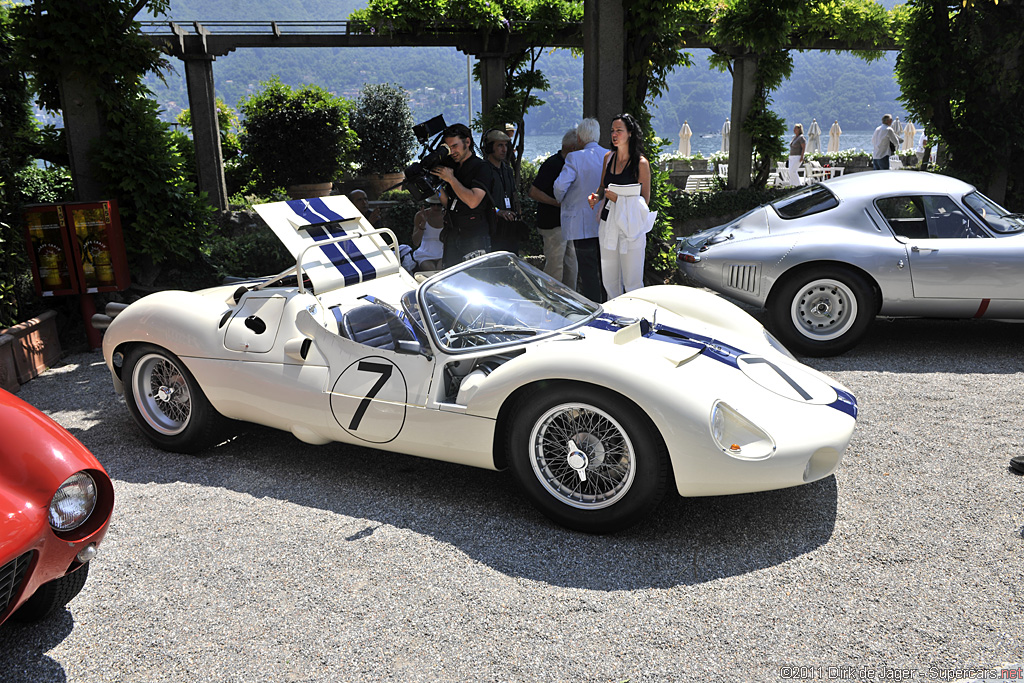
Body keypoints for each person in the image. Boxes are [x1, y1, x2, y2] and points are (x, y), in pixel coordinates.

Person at [588, 113, 654, 299]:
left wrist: (620, 200)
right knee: (609, 278)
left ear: (630, 133)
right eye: (612, 131)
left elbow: (645, 201)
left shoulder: (641, 163)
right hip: (608, 223)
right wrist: (596, 197)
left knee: (632, 280)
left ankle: (634, 318)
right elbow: (603, 187)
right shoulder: (608, 158)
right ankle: (612, 317)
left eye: (619, 130)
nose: (614, 135)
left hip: (630, 225)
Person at [554, 118, 608, 303]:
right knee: (606, 268)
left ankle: (593, 305)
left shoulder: (574, 157)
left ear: (579, 138)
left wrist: (562, 200)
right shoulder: (609, 155)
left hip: (580, 223)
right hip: (605, 220)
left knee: (587, 270)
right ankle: (609, 302)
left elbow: (560, 186)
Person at [430, 123, 495, 267]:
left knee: (477, 281)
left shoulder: (481, 167)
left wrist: (451, 179)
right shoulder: (453, 167)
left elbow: (473, 201)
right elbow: (449, 204)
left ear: (467, 142)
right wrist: (437, 186)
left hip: (474, 236)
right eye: (447, 148)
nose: (451, 152)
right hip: (453, 233)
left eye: (454, 146)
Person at [528, 128, 579, 287]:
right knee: (555, 267)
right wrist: (556, 203)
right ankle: (551, 303)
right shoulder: (552, 164)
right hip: (552, 223)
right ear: (573, 148)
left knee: (571, 265)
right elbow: (533, 192)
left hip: (568, 222)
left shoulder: (571, 164)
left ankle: (571, 301)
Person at [482, 128, 525, 255]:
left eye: (506, 145)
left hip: (509, 230)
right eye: (500, 145)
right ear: (490, 148)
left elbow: (513, 195)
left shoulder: (507, 170)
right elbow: (481, 203)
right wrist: (498, 212)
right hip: (492, 230)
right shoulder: (483, 171)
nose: (504, 149)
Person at [410, 195, 445, 272]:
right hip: (425, 252)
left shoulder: (447, 215)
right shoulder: (420, 215)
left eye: (439, 205)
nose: (436, 207)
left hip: (443, 251)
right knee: (430, 271)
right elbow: (416, 242)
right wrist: (423, 223)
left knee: (440, 271)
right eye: (432, 204)